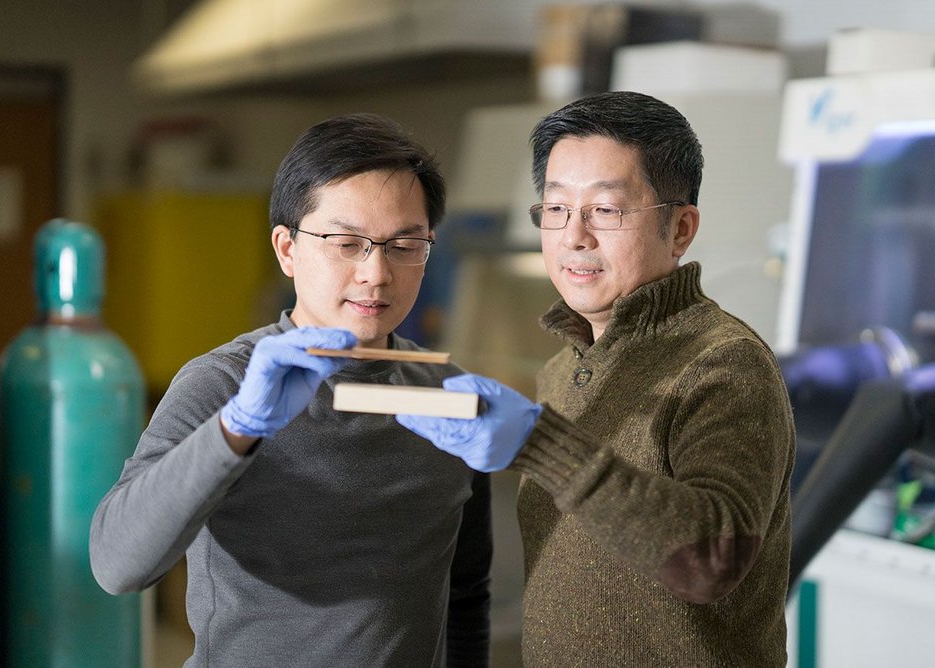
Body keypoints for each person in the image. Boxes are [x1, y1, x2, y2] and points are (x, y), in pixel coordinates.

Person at [397, 91, 796, 666]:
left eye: (606, 210)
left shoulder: (724, 362)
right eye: (555, 209)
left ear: (680, 229)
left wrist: (541, 445)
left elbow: (712, 561)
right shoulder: (565, 368)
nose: (573, 236)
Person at [90, 113, 492, 667]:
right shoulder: (224, 382)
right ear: (287, 249)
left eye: (404, 245)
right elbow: (117, 564)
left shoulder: (450, 394)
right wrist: (239, 428)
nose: (376, 273)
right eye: (347, 243)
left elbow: (466, 592)